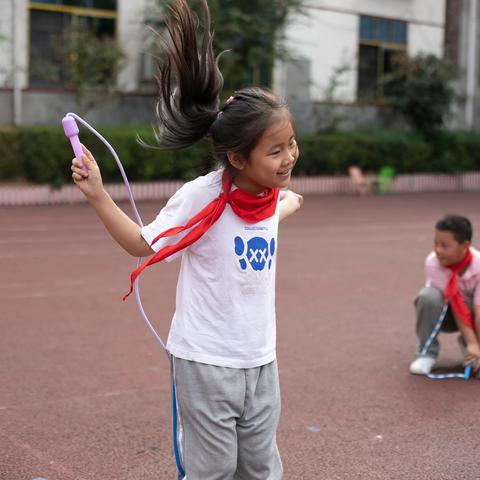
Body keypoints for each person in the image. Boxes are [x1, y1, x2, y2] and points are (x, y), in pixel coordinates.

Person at [70, 0, 302, 478]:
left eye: (291, 145)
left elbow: (275, 211)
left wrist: (289, 204)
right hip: (205, 361)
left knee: (262, 469)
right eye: (275, 151)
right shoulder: (202, 197)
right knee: (211, 470)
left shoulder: (267, 198)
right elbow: (141, 243)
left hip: (261, 359)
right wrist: (97, 195)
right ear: (237, 159)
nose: (289, 158)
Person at [409, 215, 480, 376]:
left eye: (445, 246)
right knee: (428, 297)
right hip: (445, 313)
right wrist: (472, 342)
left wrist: (477, 345)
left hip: (473, 314)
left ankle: (471, 351)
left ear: (464, 246)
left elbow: (479, 311)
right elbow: (455, 302)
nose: (438, 251)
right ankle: (427, 353)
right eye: (436, 244)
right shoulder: (433, 263)